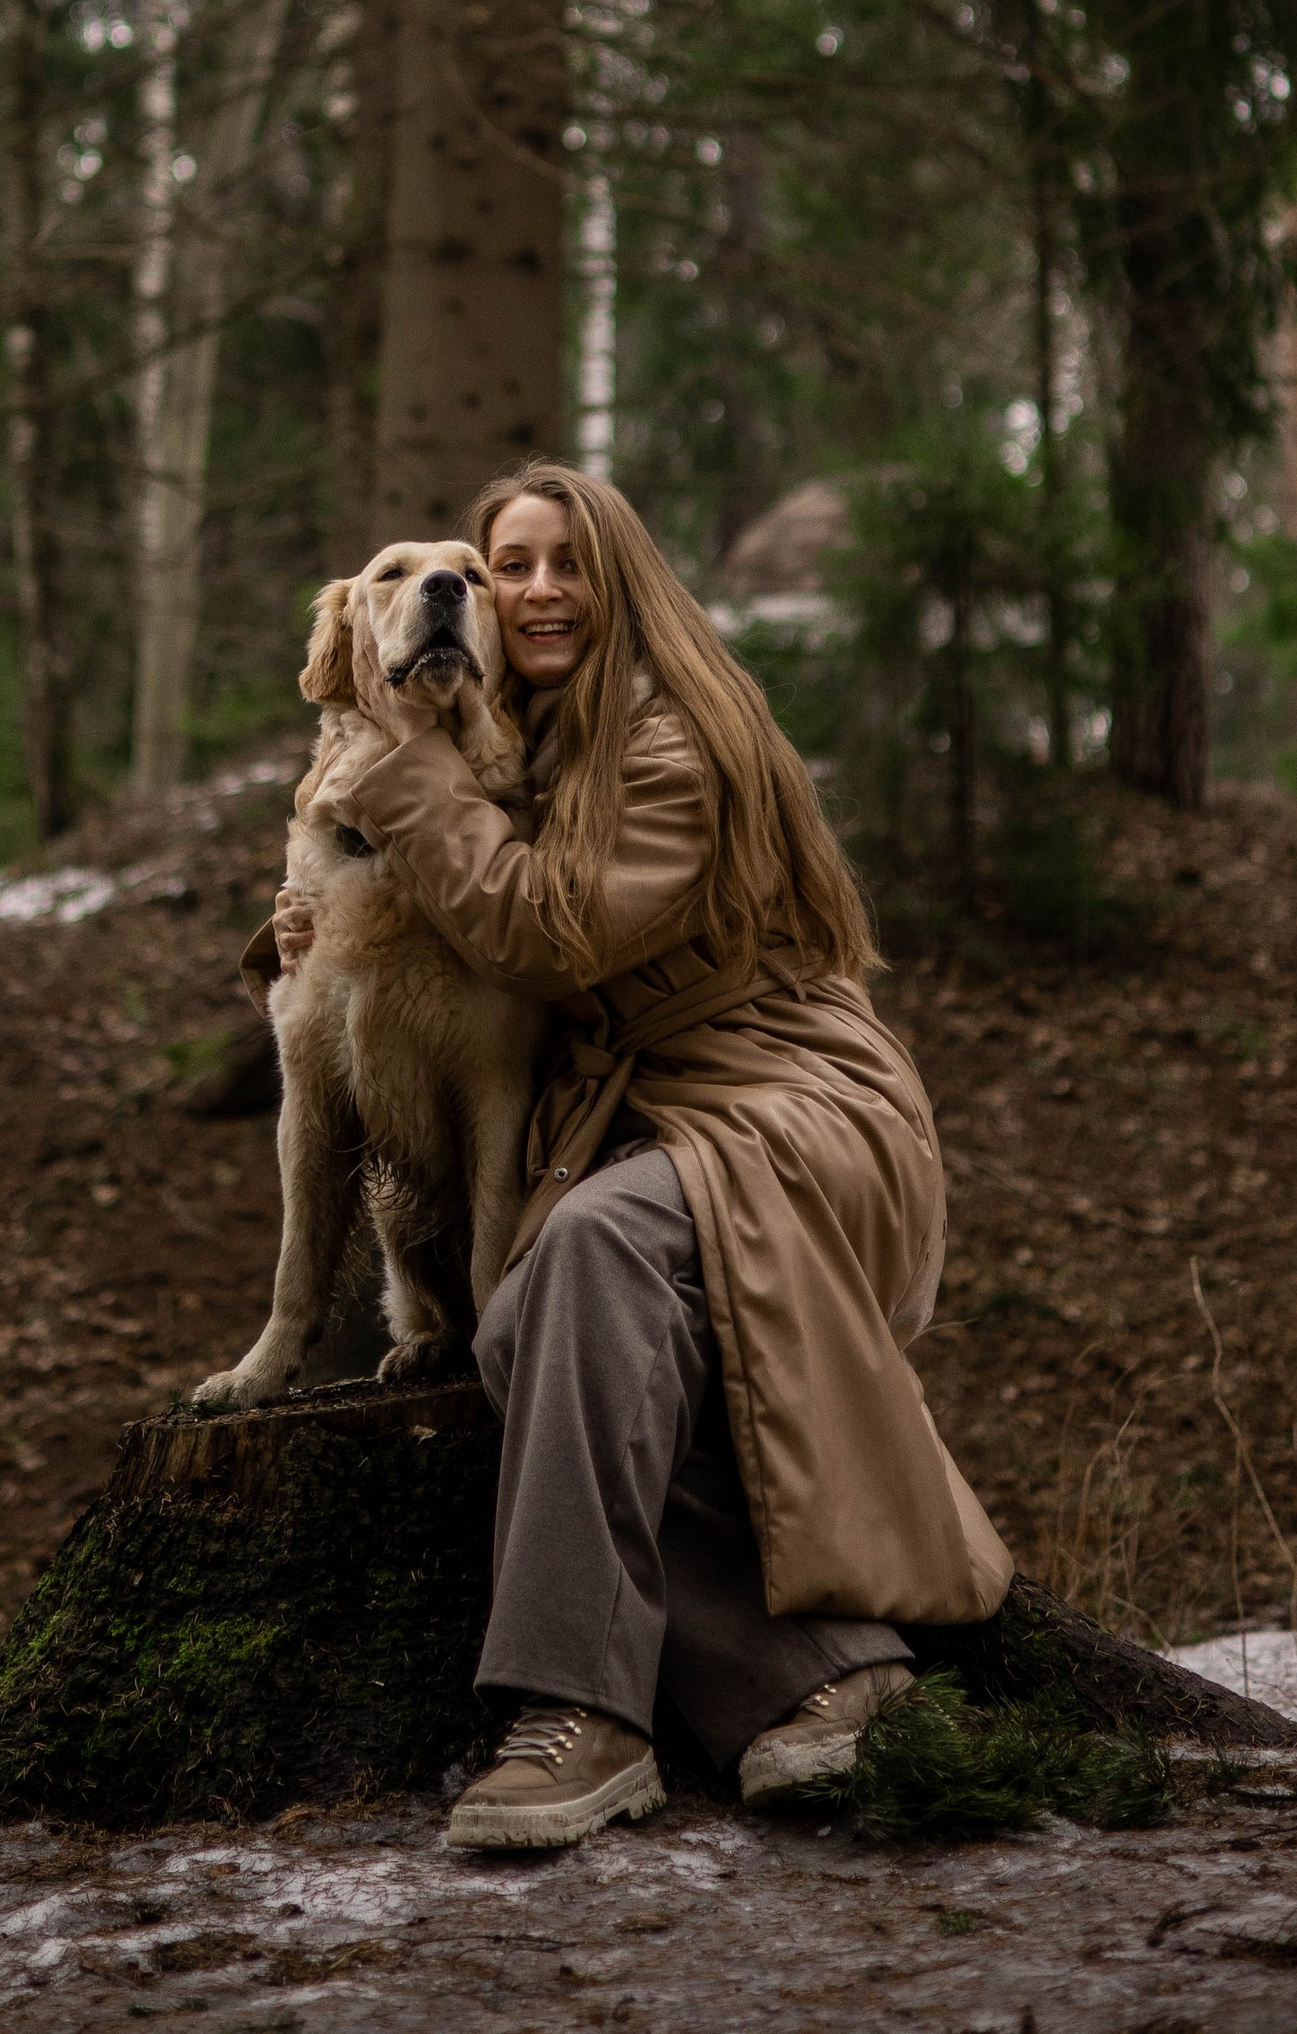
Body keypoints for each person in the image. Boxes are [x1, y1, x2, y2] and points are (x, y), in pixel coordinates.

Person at [268, 458, 1011, 1851]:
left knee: (587, 1253)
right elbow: (413, 904)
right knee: (532, 1312)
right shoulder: (524, 735)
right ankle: (831, 1675)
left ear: (623, 584)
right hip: (656, 1120)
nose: (533, 589)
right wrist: (304, 918)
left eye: (564, 562)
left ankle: (581, 1711)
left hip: (795, 1107)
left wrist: (403, 785)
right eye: (508, 566)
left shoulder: (672, 738)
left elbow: (553, 934)